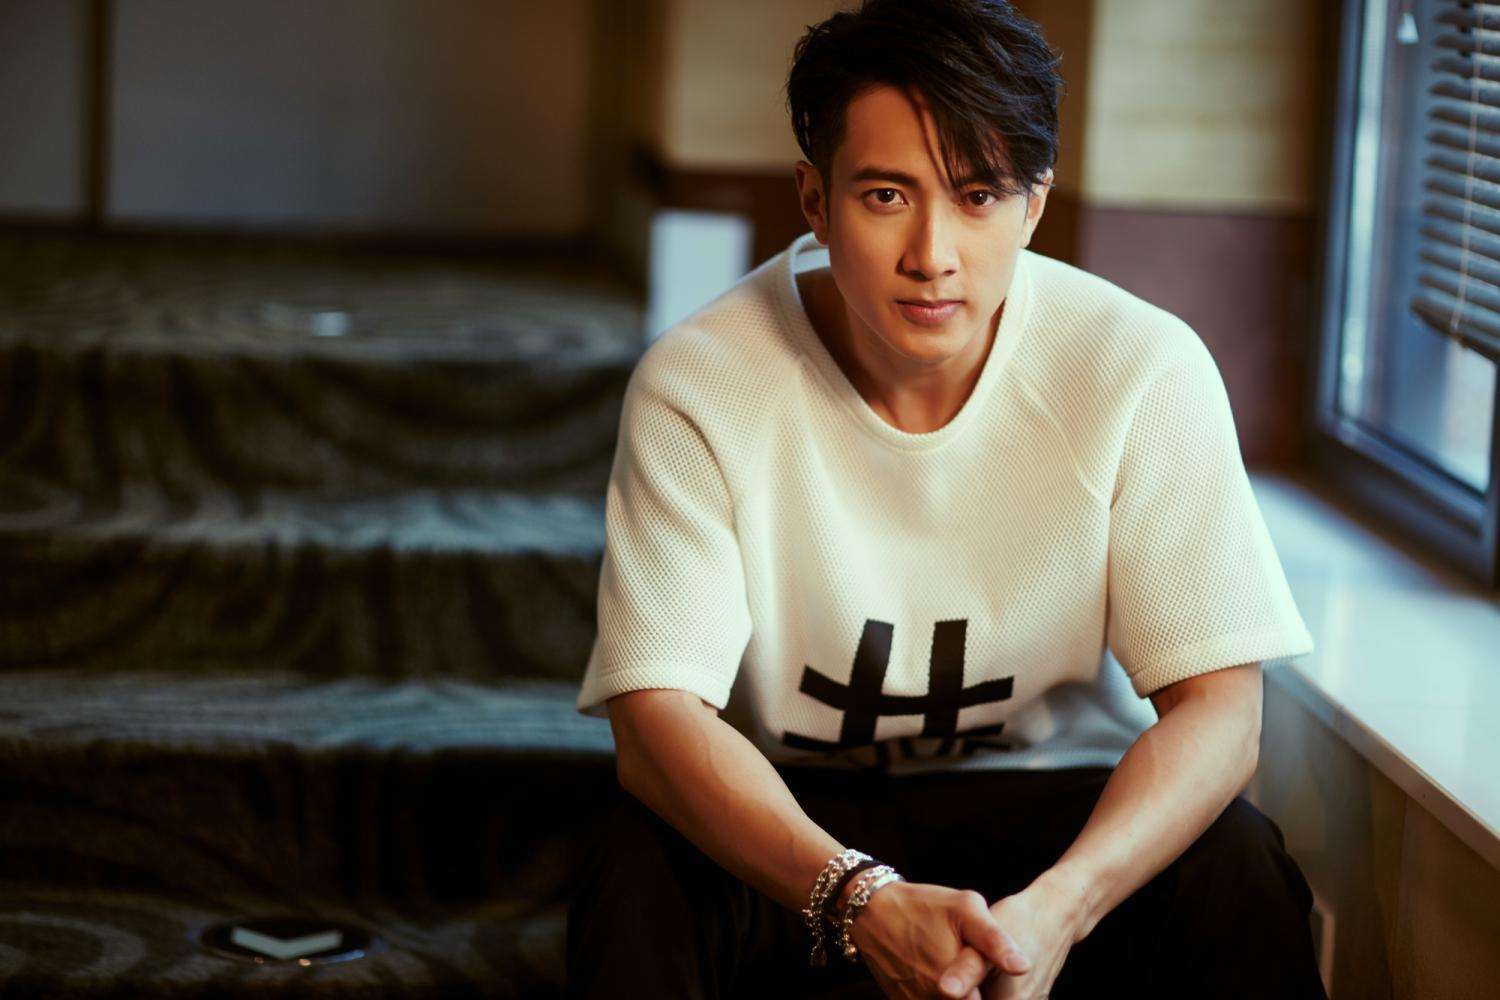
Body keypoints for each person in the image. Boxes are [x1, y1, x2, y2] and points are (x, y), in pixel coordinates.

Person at [565, 1, 1328, 997]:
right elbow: (654, 720)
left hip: (1052, 807)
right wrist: (859, 898)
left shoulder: (1139, 368)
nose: (932, 253)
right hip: (795, 816)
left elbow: (1221, 712)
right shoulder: (702, 380)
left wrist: (1059, 912)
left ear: (1034, 205)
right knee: (635, 867)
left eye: (978, 196)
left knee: (1237, 866)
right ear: (815, 199)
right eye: (886, 195)